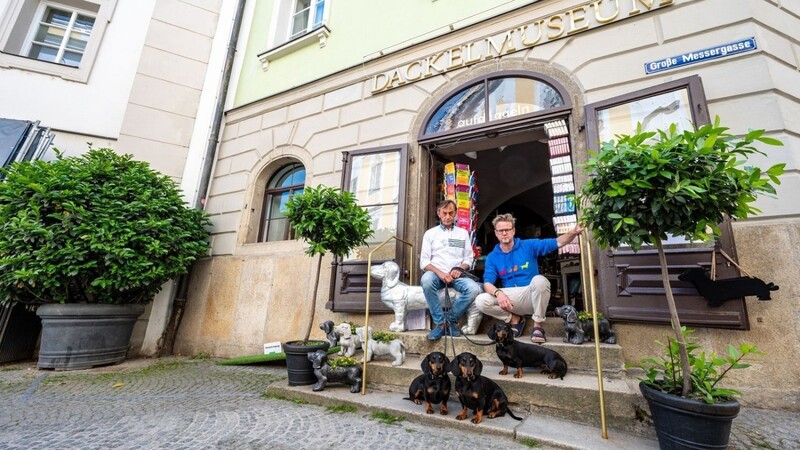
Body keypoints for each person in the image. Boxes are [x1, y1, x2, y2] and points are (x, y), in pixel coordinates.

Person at [476, 213, 583, 343]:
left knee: (540, 280)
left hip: (530, 295)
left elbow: (557, 242)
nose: (504, 233)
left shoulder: (528, 245)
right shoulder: (493, 257)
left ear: (513, 230)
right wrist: (498, 293)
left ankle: (537, 326)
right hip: (510, 300)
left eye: (508, 230)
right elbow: (487, 283)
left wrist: (574, 231)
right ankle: (514, 319)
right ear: (496, 233)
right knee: (481, 300)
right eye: (501, 230)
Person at [420, 199, 482, 341]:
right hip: (436, 274)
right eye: (444, 213)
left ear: (455, 214)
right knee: (426, 280)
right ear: (439, 214)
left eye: (451, 213)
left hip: (457, 275)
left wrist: (460, 268)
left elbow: (468, 258)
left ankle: (449, 321)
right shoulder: (430, 234)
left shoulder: (463, 233)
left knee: (474, 289)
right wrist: (440, 273)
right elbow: (424, 262)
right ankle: (440, 323)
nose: (448, 216)